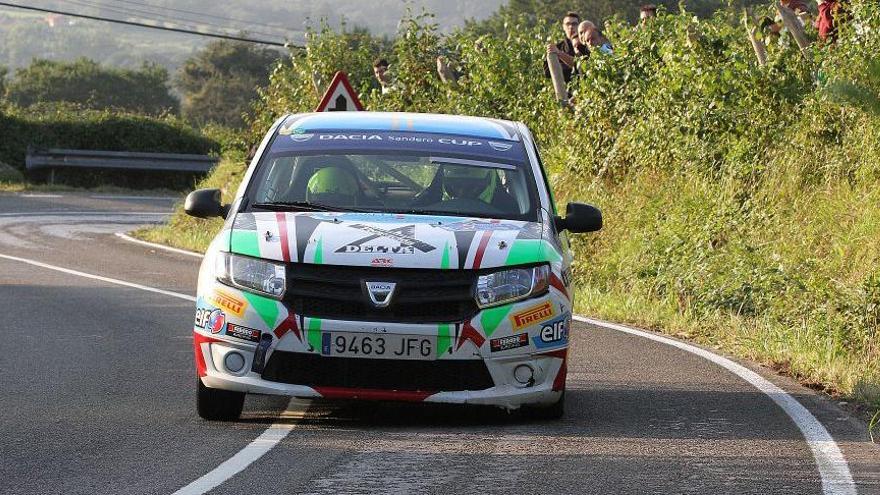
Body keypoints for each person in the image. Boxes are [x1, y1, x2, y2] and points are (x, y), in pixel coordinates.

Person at [544, 12, 588, 83]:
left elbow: (585, 67)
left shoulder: (587, 45)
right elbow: (548, 72)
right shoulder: (557, 47)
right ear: (563, 27)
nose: (571, 27)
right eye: (568, 24)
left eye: (574, 24)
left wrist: (560, 59)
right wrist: (571, 67)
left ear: (579, 26)